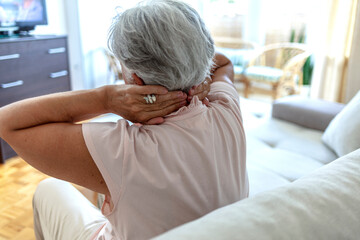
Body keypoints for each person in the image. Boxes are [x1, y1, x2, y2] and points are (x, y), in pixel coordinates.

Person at [0, 0, 248, 239]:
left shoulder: (122, 149)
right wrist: (201, 75)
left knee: (49, 189)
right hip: (216, 230)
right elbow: (223, 62)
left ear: (135, 80)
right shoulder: (225, 107)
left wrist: (105, 98)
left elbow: (7, 121)